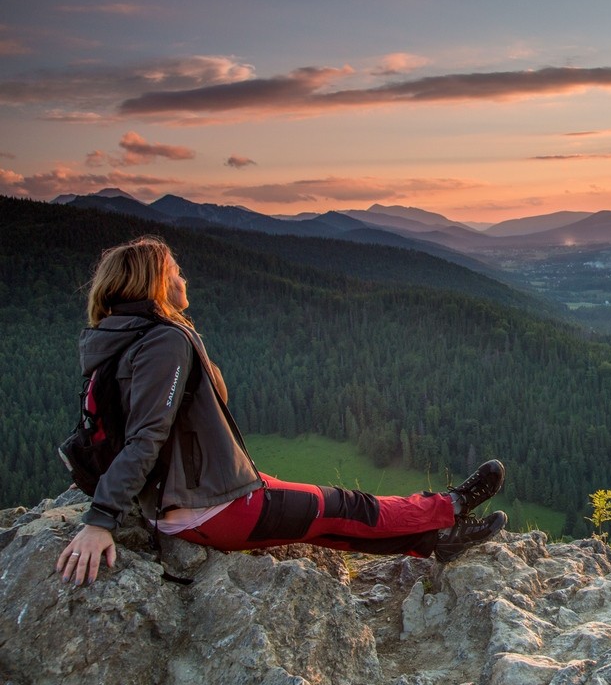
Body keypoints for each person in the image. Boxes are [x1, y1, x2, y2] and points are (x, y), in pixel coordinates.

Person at [57, 236, 507, 586]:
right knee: (346, 506)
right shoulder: (163, 340)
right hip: (213, 505)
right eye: (176, 272)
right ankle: (450, 505)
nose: (184, 280)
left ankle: (438, 541)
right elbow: (146, 436)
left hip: (197, 497)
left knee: (323, 523)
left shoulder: (121, 338)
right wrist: (100, 521)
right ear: (155, 283)